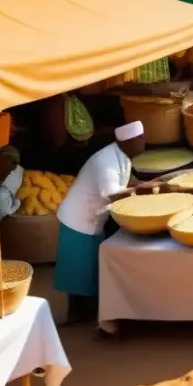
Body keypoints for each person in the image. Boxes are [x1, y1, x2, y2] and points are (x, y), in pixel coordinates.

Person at [55, 121, 146, 325]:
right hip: (78, 219)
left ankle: (93, 310)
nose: (144, 142)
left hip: (94, 219)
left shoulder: (122, 155)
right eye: (140, 138)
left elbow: (127, 181)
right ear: (128, 141)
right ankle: (77, 314)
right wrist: (142, 192)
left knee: (93, 267)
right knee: (78, 269)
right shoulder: (105, 161)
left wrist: (146, 184)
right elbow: (112, 193)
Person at [0, 145, 24, 221]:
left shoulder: (16, 173)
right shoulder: (0, 193)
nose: (14, 168)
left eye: (16, 164)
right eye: (13, 162)